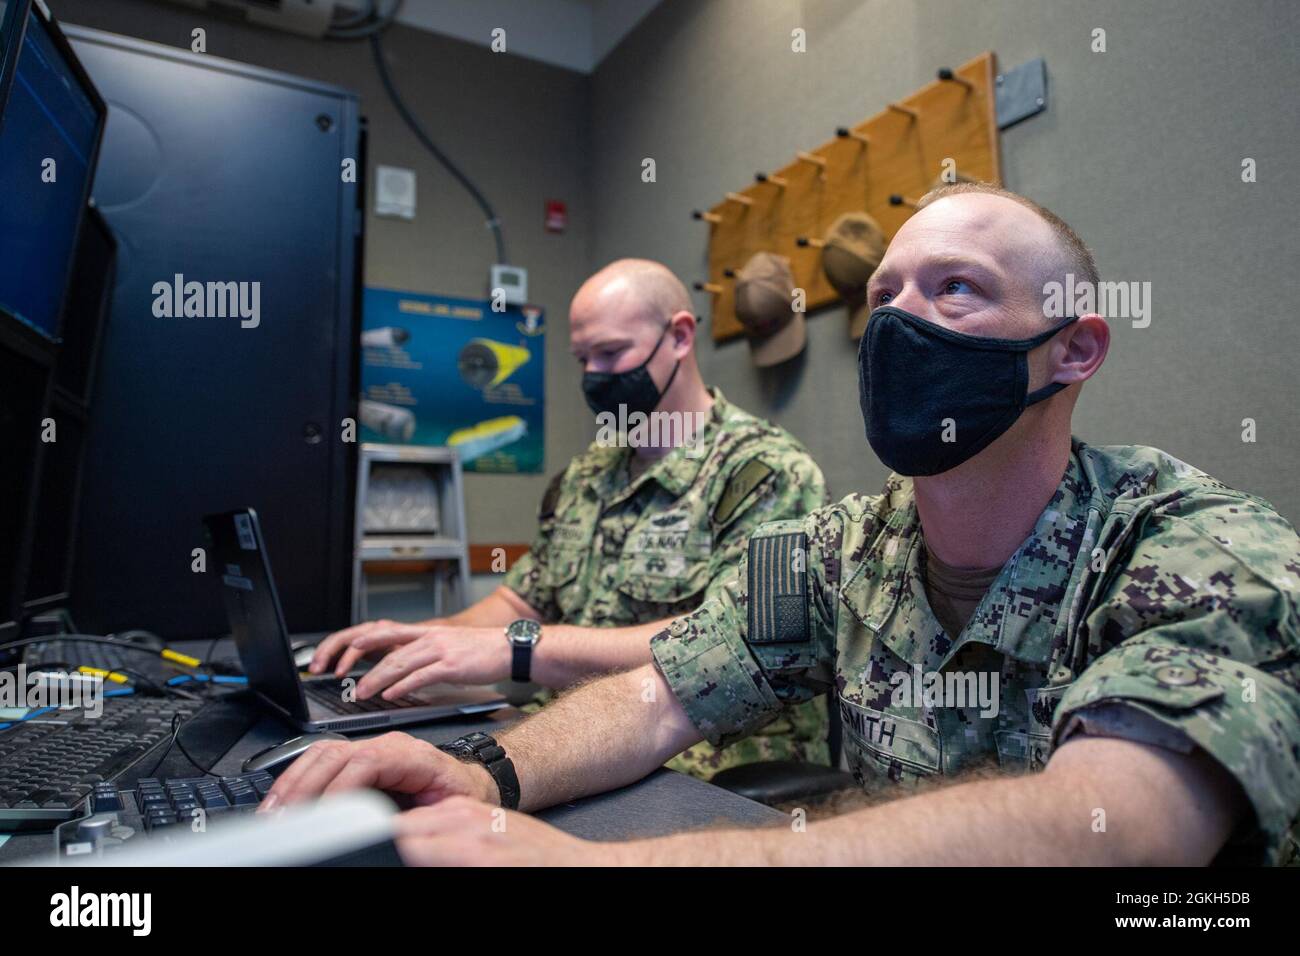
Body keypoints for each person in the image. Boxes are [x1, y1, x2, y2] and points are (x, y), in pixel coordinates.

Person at [266, 184, 1300, 866]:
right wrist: (482, 773)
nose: (898, 321)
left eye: (956, 291)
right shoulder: (835, 550)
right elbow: (664, 690)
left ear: (1070, 350)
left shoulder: (1195, 548)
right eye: (884, 293)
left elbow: (1120, 825)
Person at [312, 258, 830, 777]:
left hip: (701, 754)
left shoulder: (766, 474)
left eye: (610, 353)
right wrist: (420, 639)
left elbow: (717, 643)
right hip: (569, 731)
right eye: (583, 359)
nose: (593, 377)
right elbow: (522, 599)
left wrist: (520, 651)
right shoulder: (587, 475)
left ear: (679, 336)